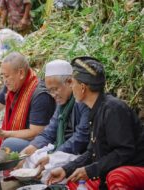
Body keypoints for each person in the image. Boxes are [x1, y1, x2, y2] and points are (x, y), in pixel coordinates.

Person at [47, 56, 144, 190]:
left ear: (82, 87)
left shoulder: (113, 109)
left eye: (71, 82)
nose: (70, 86)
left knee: (117, 177)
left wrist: (90, 171)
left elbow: (124, 152)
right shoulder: (96, 109)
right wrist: (66, 169)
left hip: (135, 168)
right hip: (113, 169)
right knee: (72, 181)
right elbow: (92, 152)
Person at [17, 60, 89, 183]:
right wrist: (30, 148)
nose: (53, 95)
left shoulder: (83, 101)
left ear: (69, 82)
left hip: (77, 152)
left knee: (49, 170)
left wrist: (54, 156)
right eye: (50, 90)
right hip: (61, 148)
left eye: (55, 89)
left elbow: (80, 138)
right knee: (28, 159)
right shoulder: (61, 103)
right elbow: (49, 132)